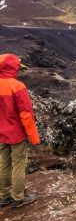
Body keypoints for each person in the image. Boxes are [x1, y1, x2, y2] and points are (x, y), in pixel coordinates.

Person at [0, 54, 40, 208]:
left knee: (3, 164)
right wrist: (33, 137)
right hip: (16, 134)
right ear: (12, 67)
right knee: (18, 165)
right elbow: (26, 115)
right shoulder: (17, 86)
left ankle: (3, 197)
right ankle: (18, 198)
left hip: (1, 134)